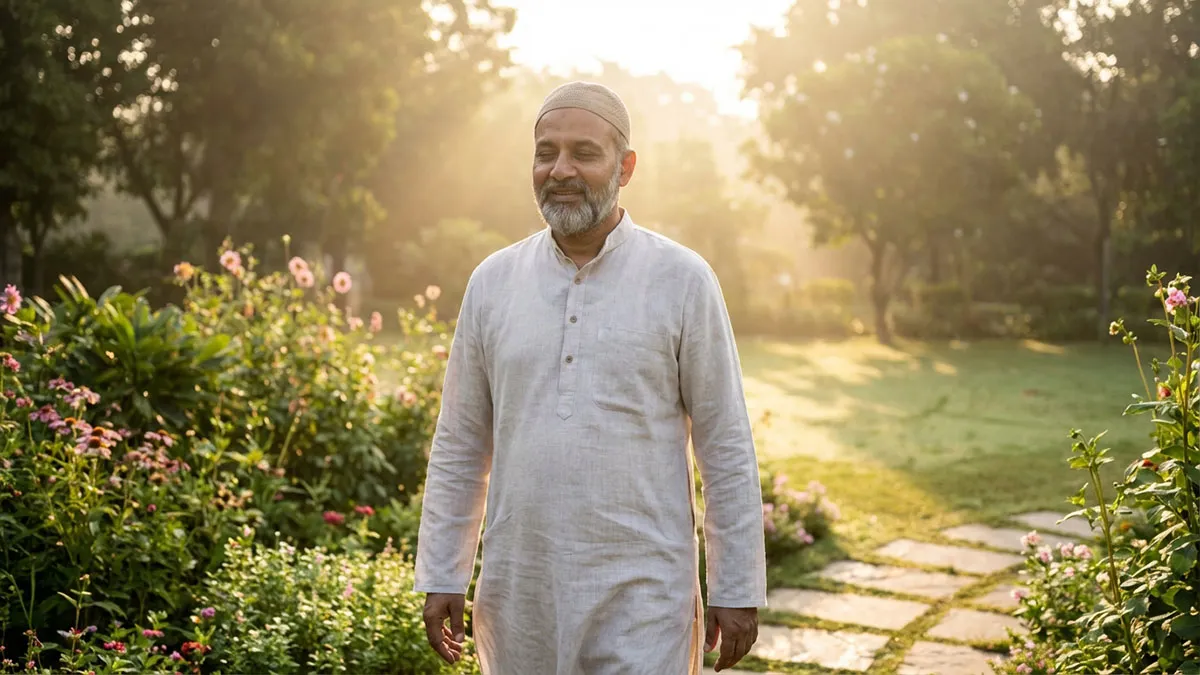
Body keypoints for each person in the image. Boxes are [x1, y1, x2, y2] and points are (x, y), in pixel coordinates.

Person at [414, 80, 767, 675]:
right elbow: (460, 443)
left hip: (644, 594)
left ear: (625, 167)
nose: (560, 170)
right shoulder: (493, 283)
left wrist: (736, 586)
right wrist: (444, 571)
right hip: (520, 591)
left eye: (584, 153)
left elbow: (725, 443)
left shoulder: (682, 280)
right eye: (545, 152)